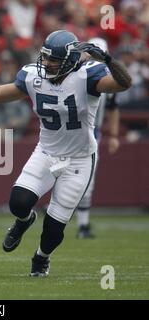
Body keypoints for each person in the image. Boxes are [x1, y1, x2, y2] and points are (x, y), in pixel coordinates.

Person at [0, 30, 131, 277]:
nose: (46, 63)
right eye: (45, 57)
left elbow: (124, 83)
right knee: (18, 202)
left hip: (79, 159)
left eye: (52, 60)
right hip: (46, 152)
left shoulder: (87, 76)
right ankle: (24, 221)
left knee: (54, 230)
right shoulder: (33, 75)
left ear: (68, 61)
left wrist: (108, 60)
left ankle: (41, 258)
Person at [76, 37, 120, 239]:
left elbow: (112, 106)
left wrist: (114, 134)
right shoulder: (75, 74)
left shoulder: (107, 79)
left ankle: (83, 225)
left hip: (92, 133)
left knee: (88, 180)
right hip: (68, 132)